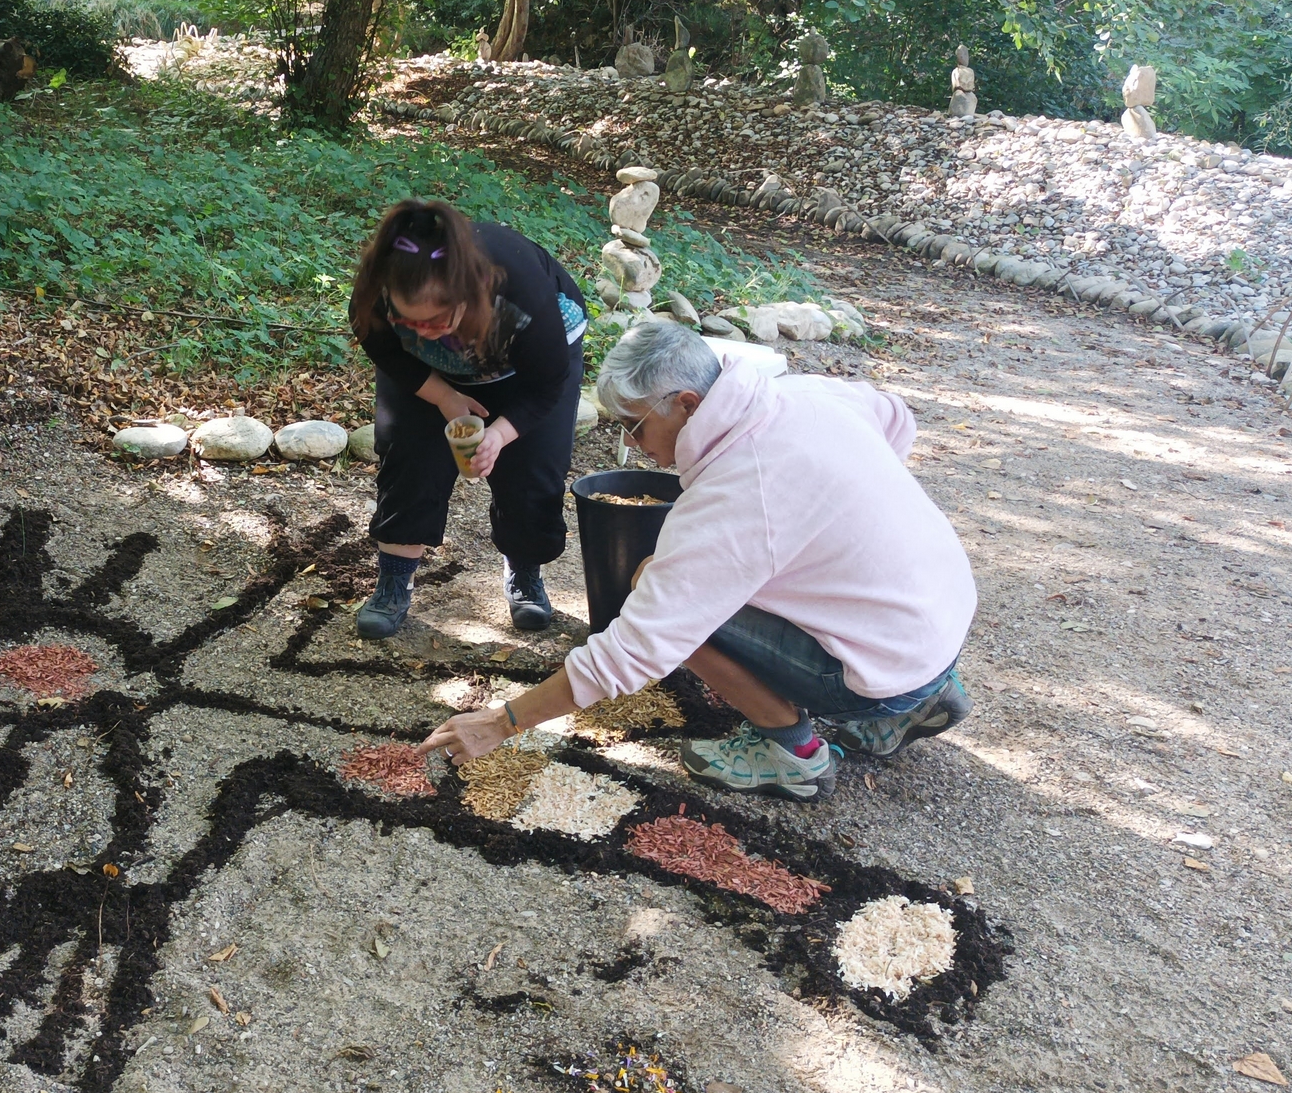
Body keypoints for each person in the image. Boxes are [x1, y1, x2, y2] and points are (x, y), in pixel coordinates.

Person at [420, 319, 976, 800]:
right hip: (938, 628)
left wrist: (501, 721)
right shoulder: (804, 394)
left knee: (655, 588)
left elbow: (637, 648)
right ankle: (911, 701)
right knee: (714, 588)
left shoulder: (735, 494)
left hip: (890, 666)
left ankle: (795, 751)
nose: (631, 443)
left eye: (634, 426)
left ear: (688, 403)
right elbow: (896, 418)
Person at [350, 200, 588, 637]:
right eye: (408, 320)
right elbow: (379, 345)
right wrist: (441, 396)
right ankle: (394, 581)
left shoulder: (520, 293)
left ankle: (525, 570)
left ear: (467, 293)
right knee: (409, 459)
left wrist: (500, 433)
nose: (421, 329)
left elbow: (547, 384)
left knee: (533, 468)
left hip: (525, 367)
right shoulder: (379, 283)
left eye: (436, 319)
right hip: (430, 372)